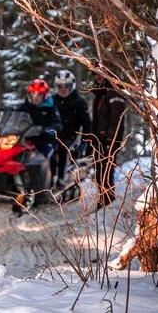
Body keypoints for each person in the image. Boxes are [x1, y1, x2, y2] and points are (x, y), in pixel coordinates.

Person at [91, 71, 126, 210]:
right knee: (99, 171)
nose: (97, 77)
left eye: (100, 73)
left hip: (109, 140)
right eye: (94, 74)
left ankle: (107, 202)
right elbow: (98, 119)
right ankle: (103, 202)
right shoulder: (100, 94)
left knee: (106, 170)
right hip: (99, 139)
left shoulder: (114, 93)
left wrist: (110, 139)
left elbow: (117, 118)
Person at [52, 70, 92, 187]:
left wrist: (85, 142)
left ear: (72, 86)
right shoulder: (52, 100)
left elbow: (87, 124)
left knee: (62, 148)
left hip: (70, 137)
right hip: (51, 135)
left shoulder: (79, 102)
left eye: (66, 86)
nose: (63, 89)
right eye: (60, 86)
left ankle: (61, 178)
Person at [18, 79, 63, 160]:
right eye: (33, 93)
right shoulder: (24, 107)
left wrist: (50, 130)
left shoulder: (50, 108)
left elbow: (58, 123)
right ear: (29, 94)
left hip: (45, 140)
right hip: (25, 139)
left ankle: (48, 167)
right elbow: (15, 117)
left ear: (45, 95)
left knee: (41, 157)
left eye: (39, 94)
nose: (36, 97)